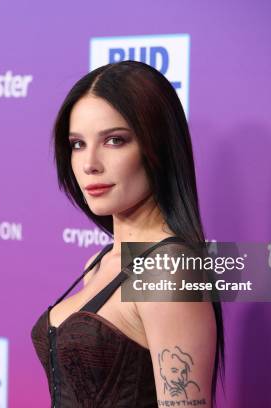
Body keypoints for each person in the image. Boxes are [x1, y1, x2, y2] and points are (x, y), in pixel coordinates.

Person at [31, 60, 224, 407]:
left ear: (157, 147)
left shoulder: (169, 271)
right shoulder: (99, 262)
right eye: (77, 144)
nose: (89, 163)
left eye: (115, 140)